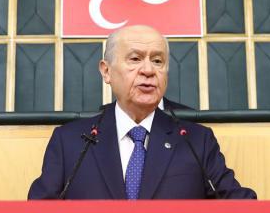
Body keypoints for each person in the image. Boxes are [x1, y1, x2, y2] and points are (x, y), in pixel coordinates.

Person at [28, 25, 256, 200]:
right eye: (135, 59)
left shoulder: (196, 141)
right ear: (106, 72)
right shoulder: (70, 142)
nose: (148, 70)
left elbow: (236, 206)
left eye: (157, 61)